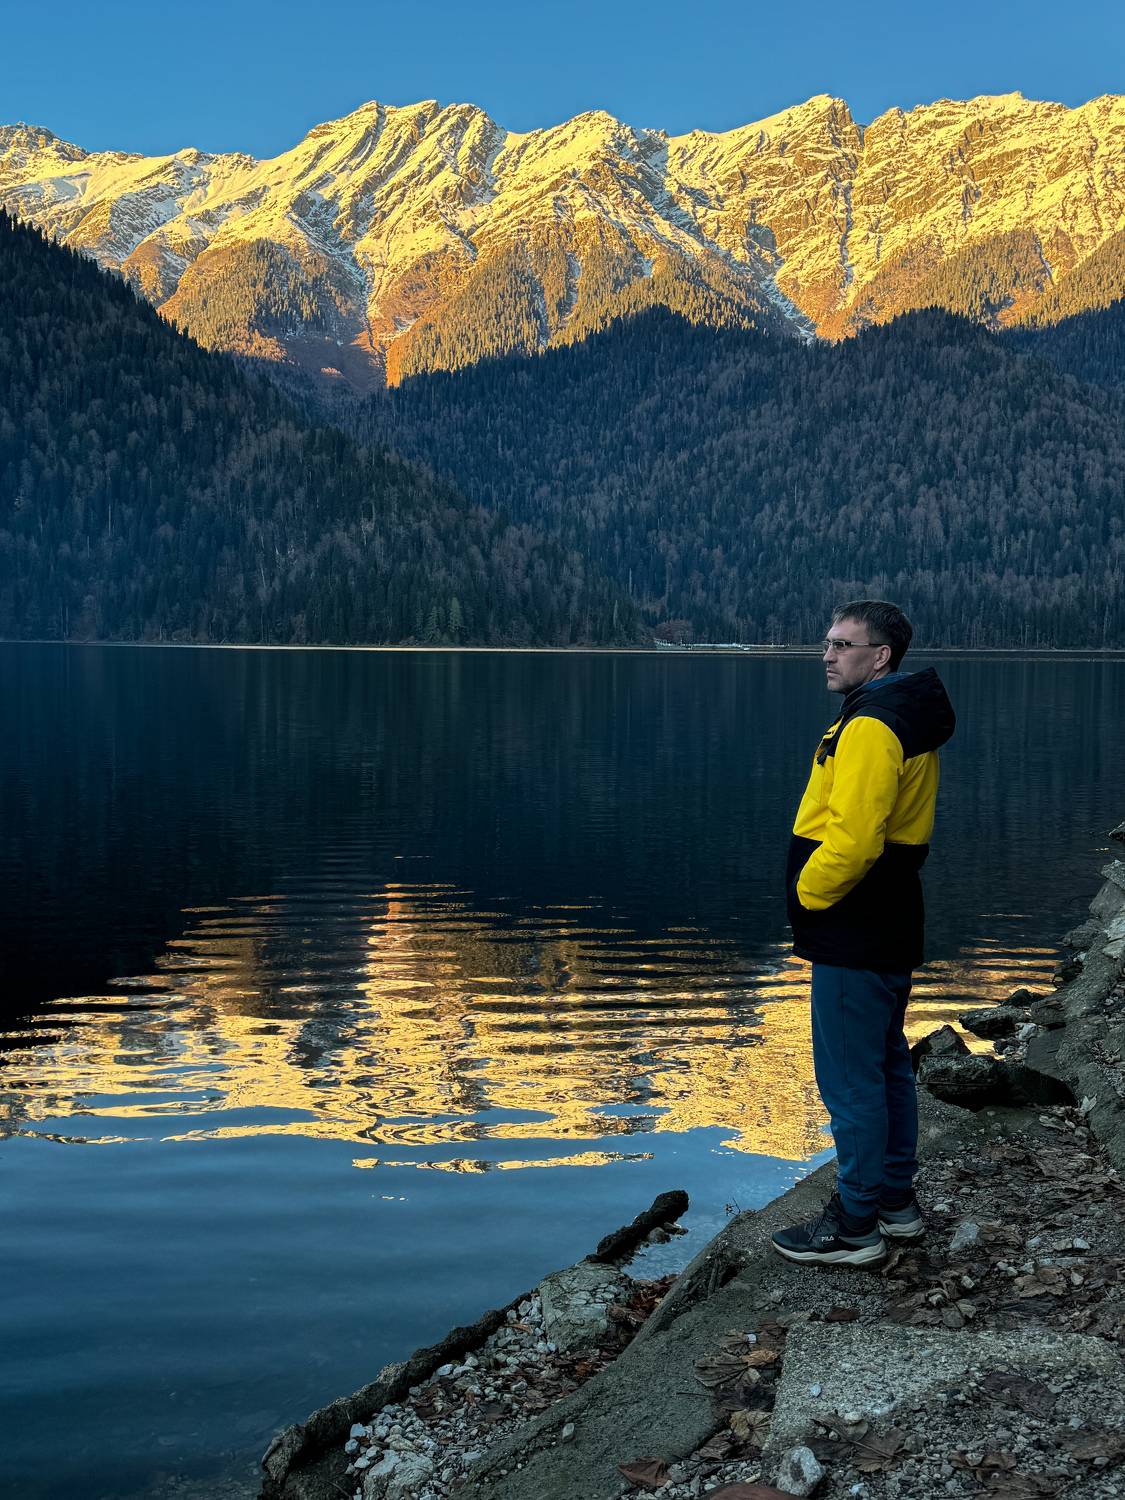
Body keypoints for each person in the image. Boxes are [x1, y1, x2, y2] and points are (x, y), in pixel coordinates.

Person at [771, 600, 956, 1266]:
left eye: (842, 645)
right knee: (884, 1067)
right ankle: (894, 1205)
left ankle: (854, 1227)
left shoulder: (873, 726)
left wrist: (807, 895)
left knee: (850, 1080)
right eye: (826, 642)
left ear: (879, 656)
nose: (827, 655)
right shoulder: (894, 714)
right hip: (888, 915)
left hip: (855, 920)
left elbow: (853, 840)